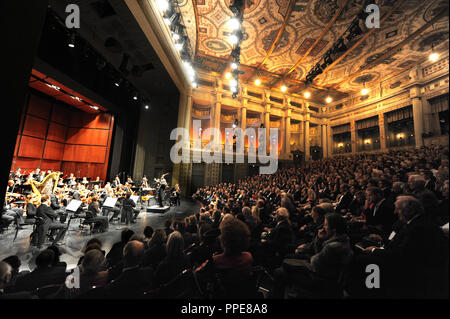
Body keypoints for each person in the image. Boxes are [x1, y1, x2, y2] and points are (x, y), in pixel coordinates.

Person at [362, 196, 448, 298]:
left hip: (413, 270)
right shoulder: (415, 222)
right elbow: (400, 244)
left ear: (408, 211)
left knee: (368, 263)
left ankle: (373, 292)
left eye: (398, 209)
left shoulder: (418, 228)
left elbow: (401, 254)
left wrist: (374, 250)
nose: (395, 212)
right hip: (408, 262)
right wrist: (382, 240)